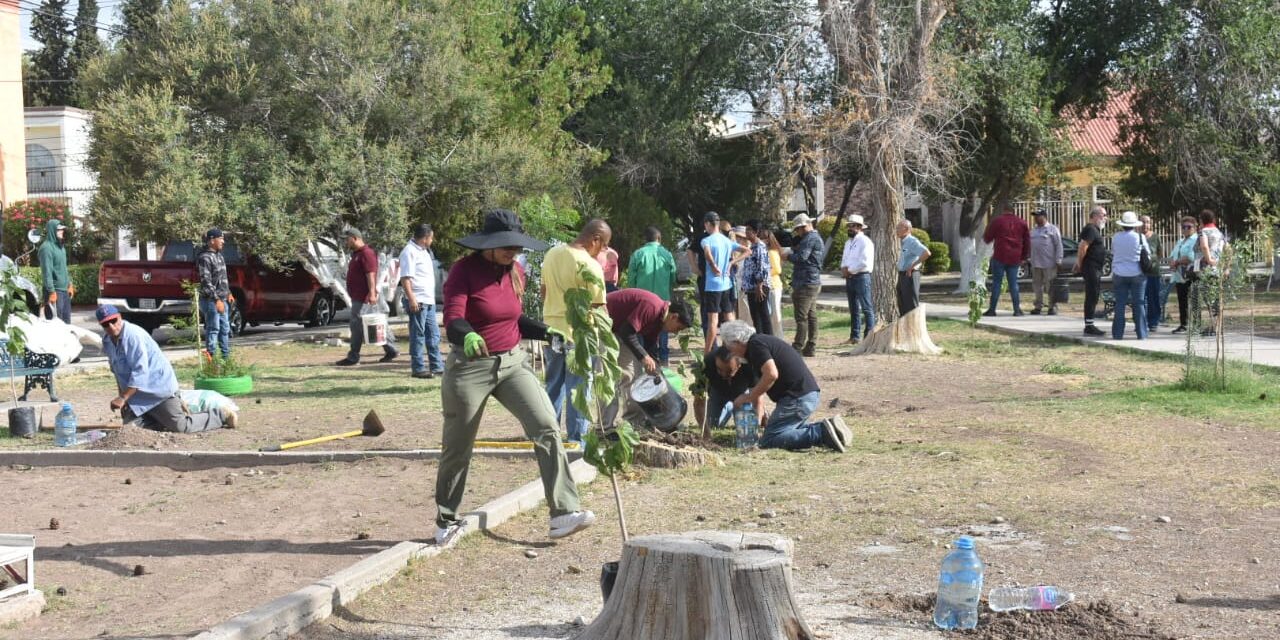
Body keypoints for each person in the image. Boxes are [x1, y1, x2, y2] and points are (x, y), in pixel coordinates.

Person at [434, 209, 594, 546]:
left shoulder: (513, 271)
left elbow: (514, 318)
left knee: (546, 426)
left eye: (517, 247)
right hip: (470, 367)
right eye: (506, 246)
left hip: (512, 363)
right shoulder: (464, 271)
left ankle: (563, 512)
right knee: (458, 446)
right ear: (486, 245)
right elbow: (453, 318)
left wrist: (546, 330)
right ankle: (446, 519)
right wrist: (467, 335)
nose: (513, 252)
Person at [97, 304, 236, 432]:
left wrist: (123, 397)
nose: (111, 326)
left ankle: (221, 415)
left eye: (113, 321)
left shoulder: (133, 336)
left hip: (158, 391)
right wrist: (124, 399)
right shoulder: (108, 341)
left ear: (120, 317)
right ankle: (162, 420)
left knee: (181, 426)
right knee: (131, 430)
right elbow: (117, 372)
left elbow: (140, 372)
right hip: (137, 396)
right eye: (105, 324)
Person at [720, 321, 850, 452]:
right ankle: (831, 428)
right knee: (784, 431)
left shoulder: (755, 345)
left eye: (730, 348)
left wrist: (749, 397)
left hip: (797, 399)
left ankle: (821, 433)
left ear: (737, 341)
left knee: (769, 439)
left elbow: (771, 374)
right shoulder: (760, 342)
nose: (731, 353)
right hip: (805, 395)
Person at [542, 220, 612, 444]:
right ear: (596, 240)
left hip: (551, 329)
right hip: (580, 334)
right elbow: (598, 307)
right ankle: (576, 441)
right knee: (580, 390)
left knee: (553, 385)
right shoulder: (590, 267)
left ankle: (548, 437)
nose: (602, 251)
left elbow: (543, 292)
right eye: (603, 246)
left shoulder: (552, 253)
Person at [601, 290, 693, 428]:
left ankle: (634, 424)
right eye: (678, 328)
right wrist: (644, 358)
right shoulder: (652, 307)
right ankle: (605, 428)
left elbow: (650, 344)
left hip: (619, 330)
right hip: (602, 325)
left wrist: (657, 371)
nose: (675, 332)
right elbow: (627, 332)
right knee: (608, 378)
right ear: (674, 317)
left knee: (633, 376)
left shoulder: (661, 318)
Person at [336, 228, 399, 366]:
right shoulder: (356, 254)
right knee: (376, 324)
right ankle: (391, 349)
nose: (346, 242)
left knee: (356, 325)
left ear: (354, 238)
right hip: (358, 296)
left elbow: (371, 274)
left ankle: (353, 357)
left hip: (365, 298)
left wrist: (371, 293)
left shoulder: (366, 253)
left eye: (347, 239)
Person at [398, 223, 444, 379]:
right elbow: (405, 278)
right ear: (425, 238)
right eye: (431, 237)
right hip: (418, 300)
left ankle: (437, 366)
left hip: (428, 300)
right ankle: (418, 368)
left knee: (433, 334)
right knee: (418, 334)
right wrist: (412, 299)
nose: (432, 240)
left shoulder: (424, 251)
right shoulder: (409, 252)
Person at [627, 226, 678, 365]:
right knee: (663, 328)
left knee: (641, 329)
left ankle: (644, 359)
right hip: (663, 300)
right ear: (659, 239)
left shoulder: (638, 254)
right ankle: (664, 360)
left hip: (642, 302)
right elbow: (674, 277)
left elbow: (631, 279)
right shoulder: (667, 255)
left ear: (645, 239)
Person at [700, 213, 749, 353]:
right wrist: (731, 263)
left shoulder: (706, 240)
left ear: (709, 224)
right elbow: (747, 250)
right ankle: (735, 347)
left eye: (705, 225)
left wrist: (713, 265)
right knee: (729, 317)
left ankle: (707, 352)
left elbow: (707, 254)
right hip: (726, 284)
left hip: (712, 286)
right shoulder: (726, 240)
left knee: (713, 320)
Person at [785, 214, 824, 356]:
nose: (797, 232)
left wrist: (787, 255)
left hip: (805, 282)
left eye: (798, 229)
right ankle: (811, 346)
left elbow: (801, 258)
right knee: (811, 316)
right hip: (812, 281)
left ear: (805, 226)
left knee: (801, 317)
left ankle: (797, 346)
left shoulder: (810, 239)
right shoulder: (814, 238)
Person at [982, 204, 1031, 316]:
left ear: (1004, 210)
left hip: (1000, 255)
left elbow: (987, 238)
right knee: (1013, 283)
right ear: (1013, 211)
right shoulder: (1022, 222)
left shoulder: (997, 221)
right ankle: (1017, 310)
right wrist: (1024, 257)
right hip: (1015, 257)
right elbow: (1027, 242)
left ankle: (992, 309)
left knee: (997, 283)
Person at [1109, 211, 1148, 340]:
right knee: (1139, 304)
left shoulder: (1116, 237)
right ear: (1135, 225)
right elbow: (1147, 254)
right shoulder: (1140, 237)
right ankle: (1141, 333)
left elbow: (1114, 252)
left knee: (1120, 304)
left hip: (1119, 273)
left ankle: (1118, 334)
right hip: (1136, 272)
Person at [700, 346, 758, 431]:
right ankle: (729, 407)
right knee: (712, 425)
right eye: (719, 370)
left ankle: (737, 408)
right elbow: (698, 400)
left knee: (746, 430)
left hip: (742, 396)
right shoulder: (708, 362)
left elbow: (758, 397)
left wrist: (757, 422)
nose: (723, 374)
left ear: (739, 365)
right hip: (718, 393)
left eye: (729, 371)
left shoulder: (749, 365)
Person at [197, 228, 233, 359]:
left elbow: (222, 279)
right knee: (214, 328)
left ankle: (225, 358)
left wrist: (228, 293)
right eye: (221, 238)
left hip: (223, 299)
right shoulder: (204, 257)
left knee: (225, 329)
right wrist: (217, 299)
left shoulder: (220, 256)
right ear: (212, 240)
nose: (223, 241)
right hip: (211, 300)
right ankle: (210, 358)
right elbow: (206, 281)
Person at [1074, 206, 1109, 336]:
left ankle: (1090, 323)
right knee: (1092, 295)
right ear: (1094, 216)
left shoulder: (1094, 230)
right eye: (1103, 215)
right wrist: (1079, 263)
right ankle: (1089, 325)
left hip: (1095, 267)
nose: (1105, 218)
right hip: (1091, 267)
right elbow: (1083, 246)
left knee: (1094, 295)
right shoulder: (1090, 229)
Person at [840, 215, 874, 342]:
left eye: (852, 225)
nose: (849, 228)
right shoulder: (848, 243)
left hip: (861, 276)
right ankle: (854, 336)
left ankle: (868, 337)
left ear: (860, 227)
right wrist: (843, 269)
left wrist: (849, 270)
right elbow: (845, 259)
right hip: (850, 278)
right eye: (849, 225)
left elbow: (864, 262)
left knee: (866, 307)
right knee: (853, 308)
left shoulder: (865, 242)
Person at [1193, 209, 1226, 335]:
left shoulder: (1203, 232)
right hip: (1218, 269)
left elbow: (1204, 246)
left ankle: (1213, 328)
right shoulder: (1219, 232)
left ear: (1202, 220)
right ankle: (1217, 326)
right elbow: (1227, 249)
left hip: (1207, 269)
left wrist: (1208, 259)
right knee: (1216, 298)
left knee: (1209, 299)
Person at [1168, 216, 1200, 335]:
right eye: (1183, 227)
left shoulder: (1196, 240)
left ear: (1194, 228)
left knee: (1194, 300)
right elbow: (1172, 255)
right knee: (1182, 300)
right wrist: (1172, 262)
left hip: (1191, 274)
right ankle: (1183, 324)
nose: (1185, 229)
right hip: (1179, 275)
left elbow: (1191, 257)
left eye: (1188, 227)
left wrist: (1177, 262)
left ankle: (1197, 325)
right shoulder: (1180, 241)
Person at [37, 219, 72, 324]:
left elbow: (63, 268)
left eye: (62, 229)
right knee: (56, 325)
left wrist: (69, 284)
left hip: (64, 291)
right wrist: (51, 291)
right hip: (55, 291)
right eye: (59, 230)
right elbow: (47, 272)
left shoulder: (60, 247)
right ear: (52, 231)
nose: (62, 231)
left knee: (66, 323)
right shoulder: (46, 248)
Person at [1028, 209, 1063, 315]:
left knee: (1050, 286)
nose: (1035, 218)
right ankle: (1038, 306)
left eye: (1037, 216)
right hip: (1036, 263)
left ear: (1044, 217)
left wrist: (1059, 259)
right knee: (1037, 286)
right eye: (1034, 216)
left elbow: (1059, 245)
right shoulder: (1033, 231)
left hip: (1049, 263)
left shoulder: (1052, 229)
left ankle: (1052, 306)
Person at [741, 221, 773, 336]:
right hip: (751, 287)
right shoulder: (752, 247)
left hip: (760, 286)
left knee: (763, 315)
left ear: (756, 232)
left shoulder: (760, 247)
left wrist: (759, 285)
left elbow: (762, 266)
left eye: (749, 229)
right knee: (755, 316)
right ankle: (760, 339)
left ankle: (769, 340)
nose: (746, 232)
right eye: (746, 229)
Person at [895, 220, 931, 317]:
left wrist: (912, 266)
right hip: (902, 275)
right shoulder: (903, 242)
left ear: (907, 229)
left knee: (911, 304)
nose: (896, 230)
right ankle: (905, 329)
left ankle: (914, 329)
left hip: (910, 275)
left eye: (899, 228)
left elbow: (926, 253)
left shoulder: (912, 241)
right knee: (902, 304)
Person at [1139, 215, 1163, 331]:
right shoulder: (1136, 237)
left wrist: (1151, 261)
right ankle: (1141, 322)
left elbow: (1160, 253)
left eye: (1147, 222)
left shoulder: (1155, 237)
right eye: (1143, 222)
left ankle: (1153, 322)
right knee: (1140, 299)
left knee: (1153, 298)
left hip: (1153, 272)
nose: (1145, 224)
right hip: (1139, 273)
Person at [761, 229, 785, 336]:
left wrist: (763, 273)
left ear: (766, 240)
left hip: (774, 286)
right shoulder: (766, 251)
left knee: (775, 314)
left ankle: (779, 337)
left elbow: (777, 269)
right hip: (768, 286)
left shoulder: (771, 252)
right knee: (770, 314)